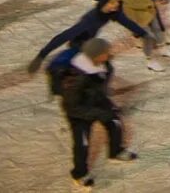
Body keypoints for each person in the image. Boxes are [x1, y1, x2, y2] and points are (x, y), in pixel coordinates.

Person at [58, 37, 138, 189]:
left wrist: (104, 102)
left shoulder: (103, 64)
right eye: (106, 52)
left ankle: (116, 151)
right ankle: (79, 174)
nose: (109, 53)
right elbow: (72, 106)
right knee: (82, 144)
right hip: (78, 113)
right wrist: (98, 113)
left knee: (115, 122)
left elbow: (102, 80)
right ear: (96, 55)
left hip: (97, 100)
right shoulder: (75, 77)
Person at [26, 0, 149, 75]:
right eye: (112, 3)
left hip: (90, 43)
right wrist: (41, 55)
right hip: (79, 45)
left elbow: (126, 22)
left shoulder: (112, 12)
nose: (116, 4)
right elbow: (63, 37)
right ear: (103, 4)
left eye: (115, 1)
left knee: (104, 67)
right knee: (98, 68)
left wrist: (143, 33)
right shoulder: (88, 20)